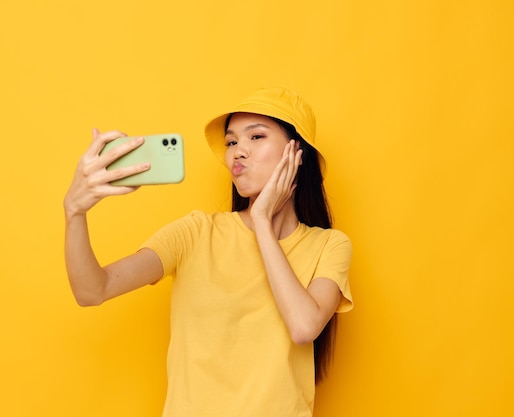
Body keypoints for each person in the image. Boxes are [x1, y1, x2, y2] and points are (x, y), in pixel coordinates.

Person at [63, 87, 353, 417]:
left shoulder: (330, 246)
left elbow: (303, 327)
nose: (238, 152)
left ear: (296, 153)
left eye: (256, 137)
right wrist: (74, 212)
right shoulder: (196, 233)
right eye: (231, 142)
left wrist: (260, 219)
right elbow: (92, 290)